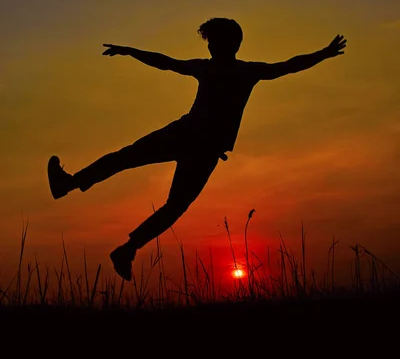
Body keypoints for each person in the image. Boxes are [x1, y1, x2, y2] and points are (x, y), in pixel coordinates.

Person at [47, 17, 346, 280]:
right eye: (210, 42)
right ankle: (71, 184)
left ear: (233, 43)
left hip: (204, 149)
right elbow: (166, 62)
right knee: (129, 159)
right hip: (187, 134)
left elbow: (290, 66)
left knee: (173, 204)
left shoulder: (245, 71)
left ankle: (126, 249)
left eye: (215, 41)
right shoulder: (219, 69)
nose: (211, 47)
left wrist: (323, 53)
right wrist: (131, 51)